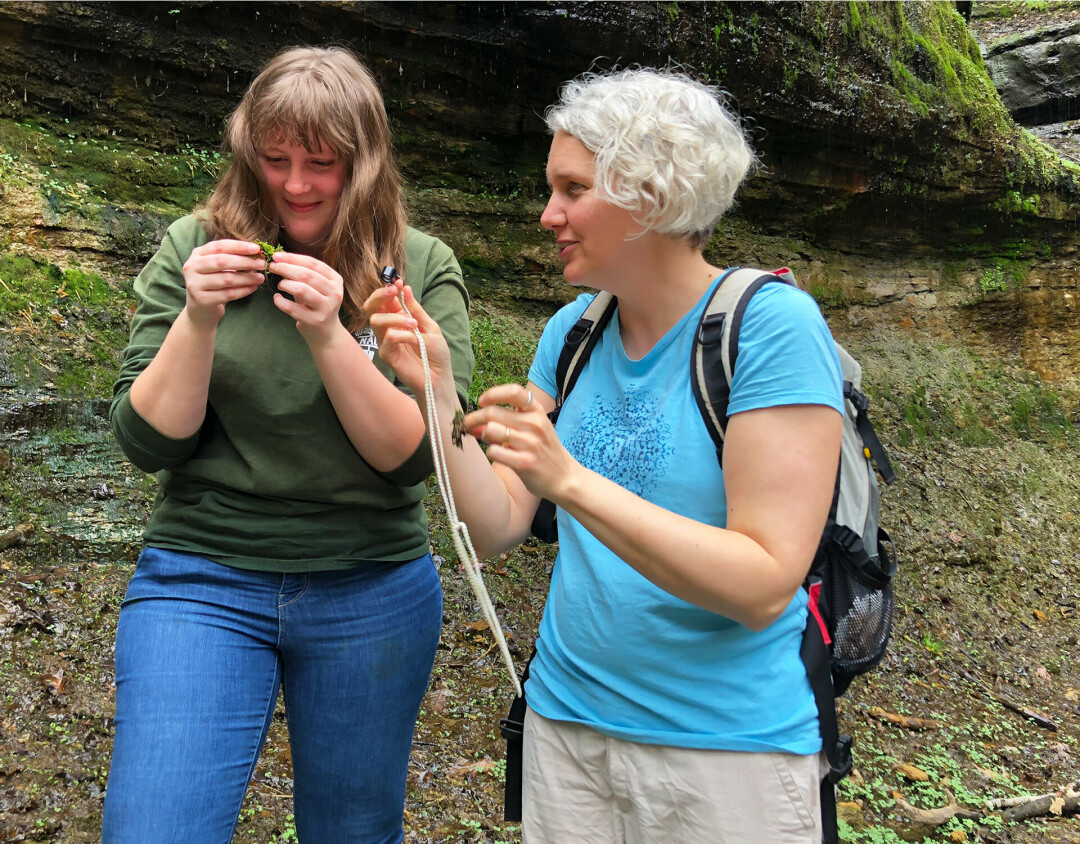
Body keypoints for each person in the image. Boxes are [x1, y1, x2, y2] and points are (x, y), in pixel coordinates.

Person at [367, 67, 844, 843]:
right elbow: (493, 529)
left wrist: (571, 482)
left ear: (651, 196)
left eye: (572, 189)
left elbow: (762, 582)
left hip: (726, 755)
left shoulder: (770, 329)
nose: (548, 213)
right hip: (567, 735)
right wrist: (436, 389)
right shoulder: (572, 335)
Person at [103, 46, 473, 844]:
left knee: (353, 831)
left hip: (371, 584)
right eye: (275, 160)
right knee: (154, 828)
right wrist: (197, 318)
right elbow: (147, 443)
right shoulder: (193, 248)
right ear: (247, 154)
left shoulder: (417, 267)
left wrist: (331, 334)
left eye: (322, 164)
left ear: (364, 164)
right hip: (200, 572)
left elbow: (416, 460)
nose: (296, 185)